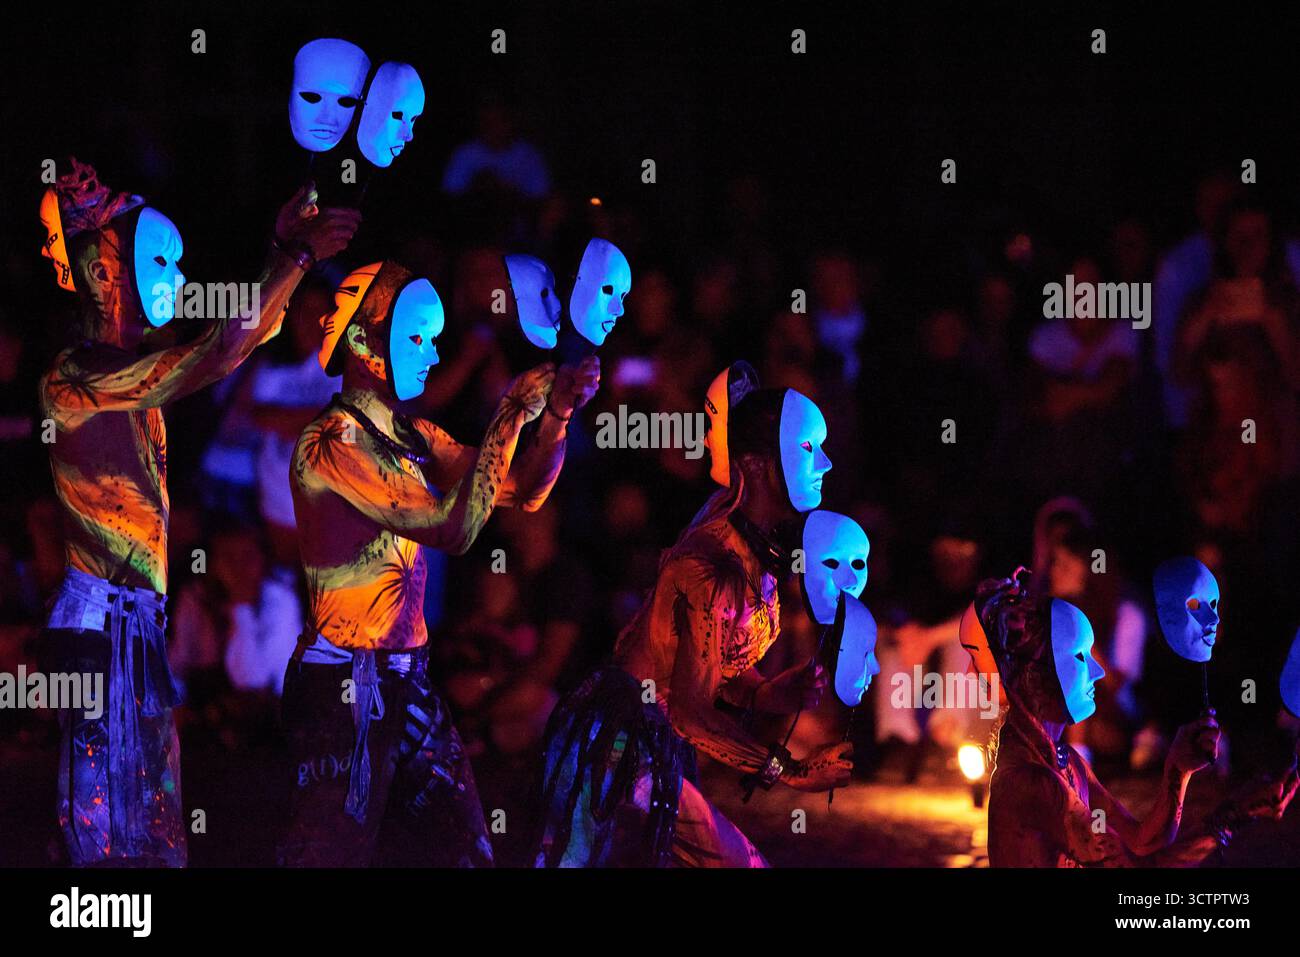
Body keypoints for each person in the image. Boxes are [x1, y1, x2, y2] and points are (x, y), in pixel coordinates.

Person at [37, 160, 357, 866]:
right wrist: (293, 257)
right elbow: (214, 355)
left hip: (132, 622)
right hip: (100, 626)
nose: (177, 280)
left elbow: (230, 343)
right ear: (101, 274)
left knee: (148, 829)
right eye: (159, 261)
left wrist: (283, 256)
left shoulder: (128, 374)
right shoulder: (76, 379)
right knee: (105, 832)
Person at [277, 260, 598, 866]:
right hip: (344, 683)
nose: (431, 353)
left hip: (410, 678)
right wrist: (508, 414)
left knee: (463, 852)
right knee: (328, 857)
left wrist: (553, 415)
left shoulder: (416, 435)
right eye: (416, 336)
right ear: (365, 341)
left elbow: (523, 489)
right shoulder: (332, 443)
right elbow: (453, 528)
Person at [534, 387, 852, 868]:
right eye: (808, 447)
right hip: (613, 746)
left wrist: (769, 693)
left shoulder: (754, 549)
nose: (826, 463)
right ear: (757, 465)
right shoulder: (710, 564)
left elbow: (710, 670)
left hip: (652, 745)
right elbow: (689, 711)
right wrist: (792, 770)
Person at [978, 571, 1298, 867]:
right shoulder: (1031, 782)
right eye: (1080, 656)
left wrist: (1178, 768)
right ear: (1035, 674)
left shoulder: (1068, 762)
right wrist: (1236, 814)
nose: (1098, 671)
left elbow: (1144, 842)